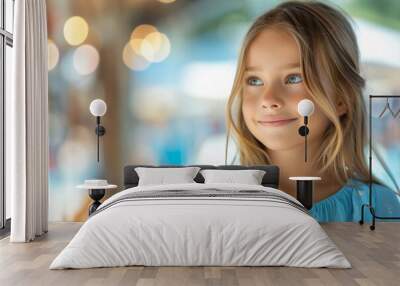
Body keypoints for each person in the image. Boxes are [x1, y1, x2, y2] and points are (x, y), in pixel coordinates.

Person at [225, 0, 400, 222]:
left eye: (294, 78)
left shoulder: (375, 205)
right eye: (254, 80)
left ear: (341, 97)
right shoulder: (219, 202)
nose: (268, 99)